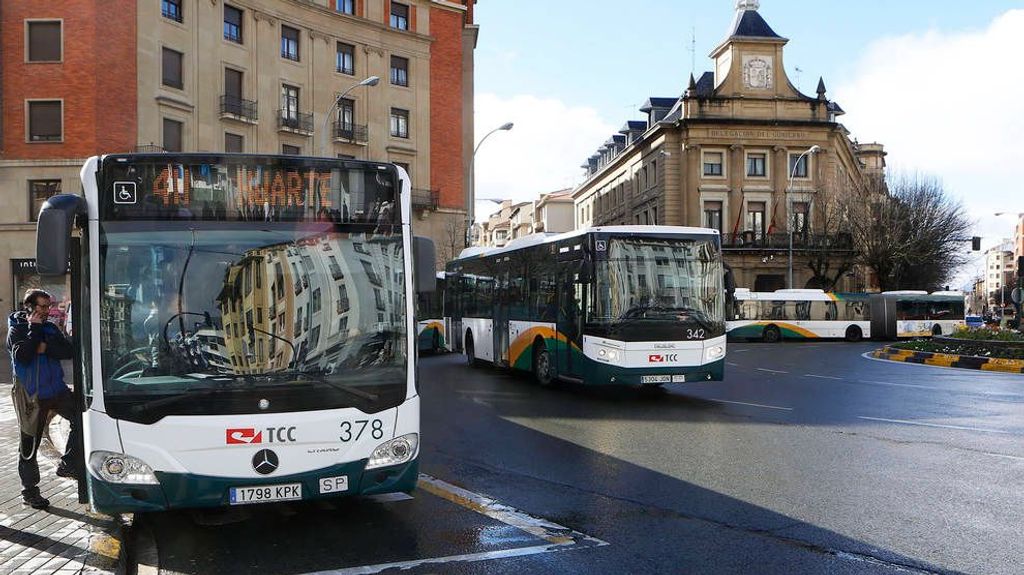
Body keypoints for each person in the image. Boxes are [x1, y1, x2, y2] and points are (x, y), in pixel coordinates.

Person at [7, 289, 79, 509]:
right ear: (29, 307)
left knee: (83, 416)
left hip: (56, 390)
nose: (49, 310)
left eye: (49, 305)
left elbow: (67, 350)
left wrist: (43, 346)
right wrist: (35, 330)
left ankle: (68, 463)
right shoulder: (16, 329)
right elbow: (24, 355)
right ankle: (29, 491)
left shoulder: (50, 326)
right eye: (44, 306)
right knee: (29, 444)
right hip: (31, 395)